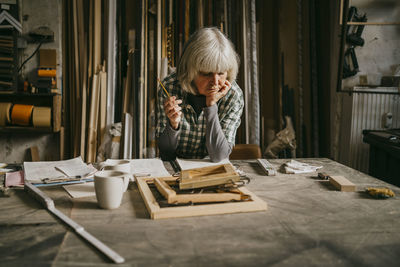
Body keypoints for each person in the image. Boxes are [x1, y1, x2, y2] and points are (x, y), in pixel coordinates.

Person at [156, 27, 244, 162]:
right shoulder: (170, 87)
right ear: (191, 71)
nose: (215, 82)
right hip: (175, 170)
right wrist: (173, 125)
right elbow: (166, 152)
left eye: (221, 73)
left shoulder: (233, 96)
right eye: (207, 73)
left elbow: (219, 156)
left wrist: (211, 106)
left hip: (212, 171)